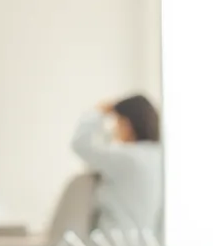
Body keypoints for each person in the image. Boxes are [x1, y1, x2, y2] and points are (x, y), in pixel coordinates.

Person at [70, 93, 163, 233]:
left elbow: (80, 144)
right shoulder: (157, 156)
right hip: (146, 244)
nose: (114, 130)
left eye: (117, 123)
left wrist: (98, 112)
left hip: (115, 244)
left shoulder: (126, 157)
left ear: (128, 124)